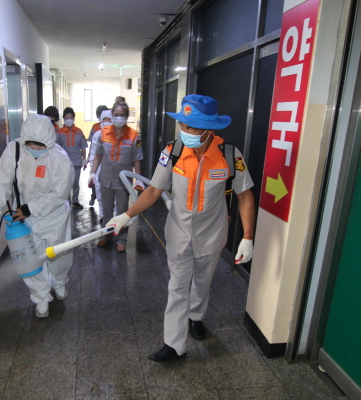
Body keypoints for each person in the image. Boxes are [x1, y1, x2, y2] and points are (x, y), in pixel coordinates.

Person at [106, 94, 256, 361]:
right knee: (177, 288)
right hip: (179, 233)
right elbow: (154, 190)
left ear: (209, 128)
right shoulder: (172, 152)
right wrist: (126, 215)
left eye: (192, 127)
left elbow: (245, 196)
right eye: (183, 125)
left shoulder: (229, 155)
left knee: (202, 282)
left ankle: (196, 316)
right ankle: (174, 345)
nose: (185, 131)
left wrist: (247, 237)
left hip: (212, 234)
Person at [0, 114, 74, 318]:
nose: (35, 149)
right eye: (31, 145)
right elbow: (1, 183)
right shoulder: (14, 151)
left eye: (40, 146)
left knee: (58, 255)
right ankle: (40, 296)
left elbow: (60, 194)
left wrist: (32, 207)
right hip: (24, 218)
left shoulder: (60, 159)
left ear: (49, 142)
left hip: (54, 216)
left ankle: (59, 281)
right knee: (30, 259)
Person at [89, 102, 143, 252]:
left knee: (122, 211)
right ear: (112, 115)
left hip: (123, 182)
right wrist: (93, 173)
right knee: (106, 209)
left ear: (127, 116)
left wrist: (138, 178)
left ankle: (121, 239)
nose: (119, 118)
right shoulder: (103, 133)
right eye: (116, 115)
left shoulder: (134, 136)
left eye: (122, 115)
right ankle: (105, 235)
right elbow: (98, 155)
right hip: (105, 178)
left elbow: (137, 159)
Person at [57, 107, 88, 209]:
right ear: (64, 119)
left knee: (75, 183)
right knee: (66, 183)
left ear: (74, 118)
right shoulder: (60, 132)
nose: (69, 120)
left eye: (70, 118)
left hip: (77, 161)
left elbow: (83, 147)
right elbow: (56, 147)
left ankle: (75, 201)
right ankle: (67, 201)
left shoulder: (79, 132)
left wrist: (84, 159)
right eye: (66, 118)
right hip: (64, 162)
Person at [85, 109, 113, 216]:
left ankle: (113, 214)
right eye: (104, 119)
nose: (106, 121)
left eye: (109, 119)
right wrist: (92, 170)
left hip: (112, 168)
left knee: (113, 193)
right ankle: (102, 215)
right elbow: (93, 152)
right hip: (99, 167)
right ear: (101, 120)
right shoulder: (97, 135)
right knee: (99, 191)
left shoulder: (115, 135)